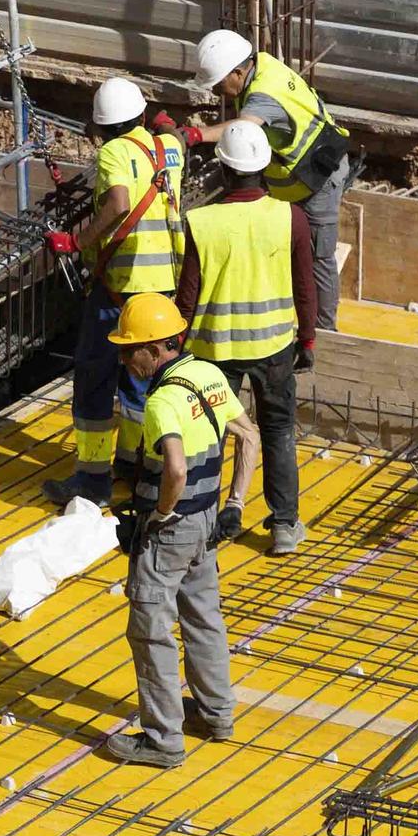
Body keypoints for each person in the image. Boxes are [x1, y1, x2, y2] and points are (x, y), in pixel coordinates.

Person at [99, 294, 260, 769]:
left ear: (155, 347)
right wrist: (235, 504)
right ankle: (215, 714)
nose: (126, 360)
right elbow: (248, 437)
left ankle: (163, 739)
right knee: (203, 616)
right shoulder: (208, 375)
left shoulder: (162, 400)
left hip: (172, 529)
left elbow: (174, 468)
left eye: (131, 350)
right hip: (207, 521)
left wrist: (160, 516)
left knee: (149, 627)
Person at [44, 77, 186, 507]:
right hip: (164, 288)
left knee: (93, 377)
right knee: (143, 382)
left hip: (120, 289)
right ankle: (135, 463)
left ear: (100, 129)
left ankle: (91, 481)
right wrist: (163, 121)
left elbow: (120, 203)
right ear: (142, 117)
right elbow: (176, 133)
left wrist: (78, 241)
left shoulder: (112, 153)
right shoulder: (169, 149)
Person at [176, 123, 315, 555]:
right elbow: (306, 287)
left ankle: (203, 524)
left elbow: (187, 296)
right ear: (264, 167)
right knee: (277, 432)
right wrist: (307, 339)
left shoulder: (202, 222)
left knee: (210, 436)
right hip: (274, 348)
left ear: (224, 169)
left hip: (214, 352)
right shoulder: (290, 216)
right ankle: (285, 526)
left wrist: (174, 350)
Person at [184, 29, 352, 331]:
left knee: (318, 259)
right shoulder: (260, 65)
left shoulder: (264, 94)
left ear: (237, 72)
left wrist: (197, 135)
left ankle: (325, 331)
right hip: (298, 176)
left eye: (218, 84)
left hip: (320, 178)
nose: (216, 93)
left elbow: (243, 128)